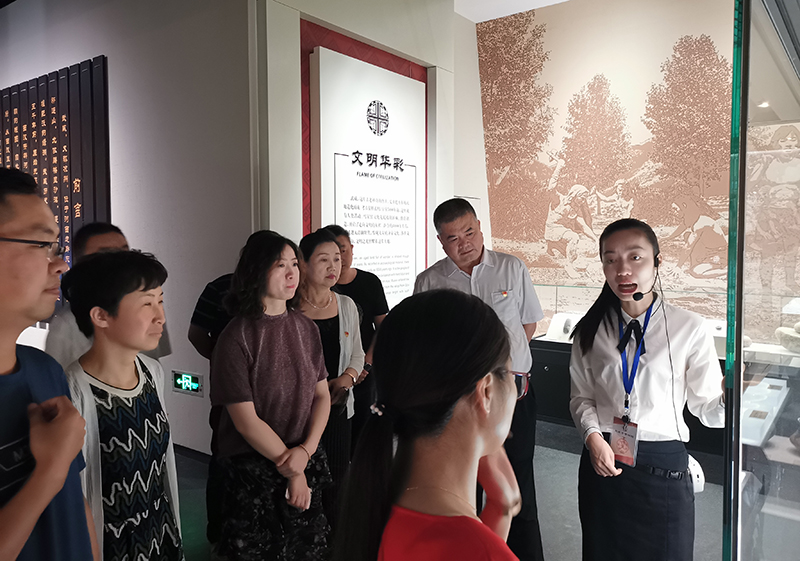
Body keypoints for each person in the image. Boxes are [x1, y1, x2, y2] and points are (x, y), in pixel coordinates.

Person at [569, 218, 725, 561]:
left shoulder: (689, 327)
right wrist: (593, 438)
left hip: (662, 467)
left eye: (635, 257)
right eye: (611, 259)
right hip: (604, 460)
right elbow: (582, 397)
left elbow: (708, 411)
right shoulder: (590, 329)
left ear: (657, 261)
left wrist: (730, 398)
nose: (622, 270)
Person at [334, 289, 523, 561]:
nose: (516, 392)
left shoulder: (376, 510)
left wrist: (500, 510)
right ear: (486, 391)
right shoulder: (483, 552)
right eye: (513, 376)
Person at [414, 198, 545, 561]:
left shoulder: (511, 267)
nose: (464, 243)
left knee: (517, 480)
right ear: (441, 242)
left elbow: (528, 324)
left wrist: (500, 372)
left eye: (469, 232)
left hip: (513, 397)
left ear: (480, 228)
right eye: (453, 238)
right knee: (462, 485)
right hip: (459, 403)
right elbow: (424, 341)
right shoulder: (430, 281)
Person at [210, 230, 332, 560]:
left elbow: (322, 396)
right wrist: (293, 469)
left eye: (294, 263)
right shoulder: (236, 336)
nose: (292, 273)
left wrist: (305, 452)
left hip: (303, 456)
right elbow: (246, 422)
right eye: (280, 265)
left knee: (307, 550)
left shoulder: (306, 328)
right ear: (256, 271)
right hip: (254, 469)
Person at [0, 167, 99, 560]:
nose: (60, 265)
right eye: (42, 245)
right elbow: (60, 476)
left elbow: (76, 507)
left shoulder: (45, 371)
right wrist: (50, 471)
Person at [61, 251, 184, 560]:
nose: (160, 316)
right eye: (146, 304)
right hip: (112, 547)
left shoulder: (151, 373)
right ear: (101, 316)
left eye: (160, 301)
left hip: (160, 536)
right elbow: (74, 496)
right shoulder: (73, 391)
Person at [298, 228, 365, 532]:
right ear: (303, 263)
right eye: (323, 259)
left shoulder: (346, 305)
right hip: (300, 413)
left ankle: (335, 542)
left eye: (337, 259)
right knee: (303, 480)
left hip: (337, 408)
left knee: (337, 480)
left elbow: (357, 354)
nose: (333, 267)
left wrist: (347, 379)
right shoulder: (290, 307)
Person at [45, 222, 172, 367]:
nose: (121, 262)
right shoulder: (66, 325)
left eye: (124, 252)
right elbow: (56, 377)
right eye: (106, 255)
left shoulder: (149, 309)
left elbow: (154, 362)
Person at [325, 224, 389, 453]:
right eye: (331, 254)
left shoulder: (370, 282)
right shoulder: (320, 288)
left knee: (363, 433)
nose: (339, 259)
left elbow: (383, 327)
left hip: (364, 373)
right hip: (329, 374)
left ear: (351, 248)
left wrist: (365, 365)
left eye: (342, 250)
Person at [187, 272, 234, 544]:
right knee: (223, 456)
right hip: (227, 392)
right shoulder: (219, 287)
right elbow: (196, 334)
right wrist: (222, 361)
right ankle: (217, 535)